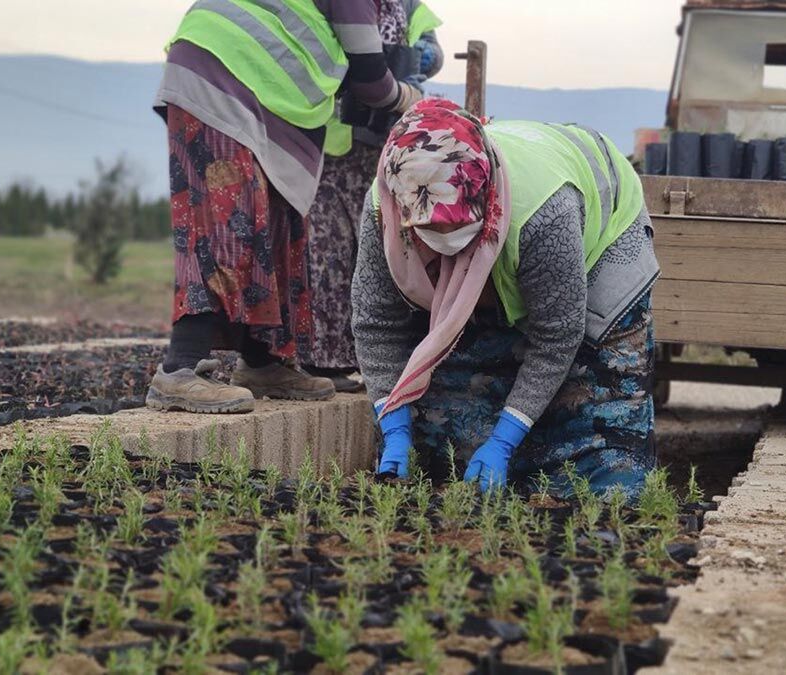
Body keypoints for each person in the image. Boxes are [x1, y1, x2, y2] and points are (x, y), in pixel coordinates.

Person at [351, 99, 661, 498]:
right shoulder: (385, 209)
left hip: (603, 240)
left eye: (463, 233)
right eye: (432, 233)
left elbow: (556, 337)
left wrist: (504, 439)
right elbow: (378, 325)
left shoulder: (544, 213)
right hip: (523, 246)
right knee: (442, 446)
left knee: (600, 433)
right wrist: (393, 426)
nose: (450, 250)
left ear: (488, 198)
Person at [146, 0, 423, 414]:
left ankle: (262, 360)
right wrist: (408, 98)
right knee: (224, 223)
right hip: (223, 73)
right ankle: (179, 369)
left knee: (278, 220)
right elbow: (369, 75)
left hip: (258, 86)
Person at [306, 0, 444, 393]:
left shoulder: (408, 5)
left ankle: (369, 357)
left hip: (381, 138)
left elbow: (432, 52)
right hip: (334, 138)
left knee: (373, 249)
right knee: (326, 247)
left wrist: (411, 60)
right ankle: (322, 359)